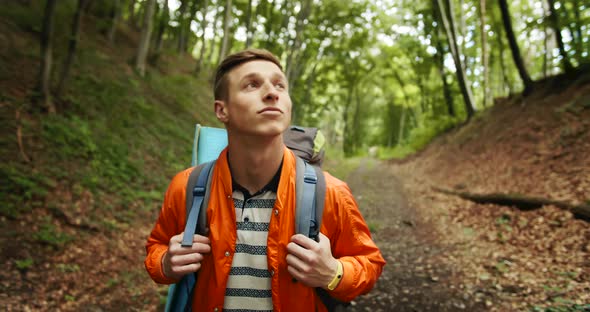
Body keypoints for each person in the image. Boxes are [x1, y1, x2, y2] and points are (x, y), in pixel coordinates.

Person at [144, 49, 385, 311]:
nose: (272, 93)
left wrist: (333, 273)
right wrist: (167, 263)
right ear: (221, 110)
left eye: (279, 84)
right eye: (252, 84)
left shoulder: (331, 193)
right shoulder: (187, 187)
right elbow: (156, 249)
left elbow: (369, 264)